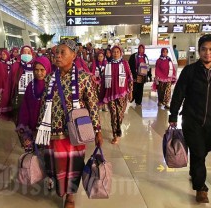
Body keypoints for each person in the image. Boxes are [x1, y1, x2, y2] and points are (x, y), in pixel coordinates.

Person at [169, 34, 211, 203]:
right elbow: (179, 93)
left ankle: (195, 172)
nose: (208, 53)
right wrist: (173, 114)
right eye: (204, 49)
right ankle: (201, 188)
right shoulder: (190, 71)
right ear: (199, 51)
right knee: (198, 153)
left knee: (202, 153)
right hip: (192, 120)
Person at [36, 39, 102, 208]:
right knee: (57, 165)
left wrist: (97, 130)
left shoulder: (84, 78)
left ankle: (70, 196)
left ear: (73, 55)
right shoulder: (50, 77)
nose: (57, 56)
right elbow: (44, 104)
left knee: (74, 165)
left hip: (76, 133)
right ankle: (60, 189)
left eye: (62, 52)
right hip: (54, 132)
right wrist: (39, 129)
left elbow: (93, 105)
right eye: (56, 53)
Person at [16, 56, 51, 151]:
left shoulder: (52, 86)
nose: (39, 73)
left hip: (48, 130)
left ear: (47, 69)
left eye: (42, 70)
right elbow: (25, 108)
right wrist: (24, 132)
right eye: (36, 70)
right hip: (32, 129)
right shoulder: (30, 86)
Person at [100, 46, 133, 144]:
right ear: (110, 53)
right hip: (111, 94)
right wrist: (103, 96)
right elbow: (103, 81)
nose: (115, 53)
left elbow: (129, 78)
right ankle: (116, 134)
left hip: (122, 94)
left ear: (120, 53)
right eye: (113, 52)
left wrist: (130, 91)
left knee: (120, 114)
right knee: (114, 114)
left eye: (117, 52)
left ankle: (118, 127)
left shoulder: (125, 64)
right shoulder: (108, 65)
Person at [9, 45, 35, 123]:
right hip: (19, 97)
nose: (26, 54)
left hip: (32, 97)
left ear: (32, 54)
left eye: (28, 53)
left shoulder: (36, 66)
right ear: (21, 54)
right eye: (24, 52)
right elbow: (11, 82)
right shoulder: (16, 66)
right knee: (19, 120)